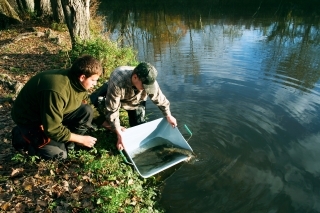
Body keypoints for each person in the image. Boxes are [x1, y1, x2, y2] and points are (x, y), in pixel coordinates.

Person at [11, 55, 103, 160]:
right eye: (93, 80)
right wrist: (81, 139)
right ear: (82, 77)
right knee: (59, 155)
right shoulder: (57, 91)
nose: (95, 84)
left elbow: (87, 102)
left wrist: (110, 126)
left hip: (49, 113)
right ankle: (22, 136)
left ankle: (70, 142)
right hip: (31, 120)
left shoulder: (78, 82)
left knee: (86, 110)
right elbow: (52, 128)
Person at [90, 62, 177, 151]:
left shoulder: (150, 80)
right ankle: (100, 123)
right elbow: (112, 109)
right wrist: (118, 132)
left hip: (136, 100)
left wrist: (168, 115)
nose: (147, 89)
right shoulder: (117, 79)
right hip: (115, 91)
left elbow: (160, 99)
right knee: (93, 102)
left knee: (138, 126)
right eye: (144, 86)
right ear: (135, 77)